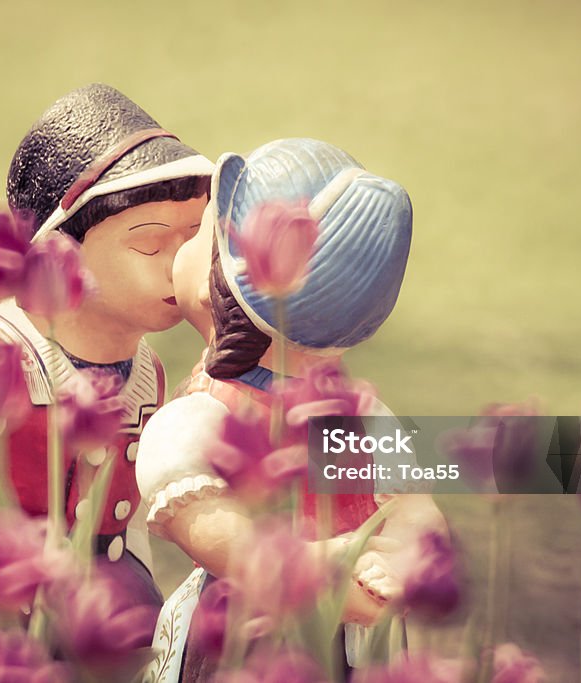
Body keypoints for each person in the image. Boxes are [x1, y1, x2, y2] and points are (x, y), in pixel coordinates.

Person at [0, 84, 212, 611]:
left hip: (108, 597)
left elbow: (125, 509)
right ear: (61, 255)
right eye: (149, 242)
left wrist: (141, 582)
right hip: (1, 595)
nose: (179, 262)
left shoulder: (145, 371)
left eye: (193, 237)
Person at [135, 138, 448, 681]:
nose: (179, 251)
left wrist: (402, 561)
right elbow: (209, 529)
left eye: (195, 234)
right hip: (242, 635)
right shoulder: (207, 416)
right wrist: (313, 566)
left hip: (337, 641)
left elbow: (416, 509)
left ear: (219, 281)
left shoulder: (358, 416)